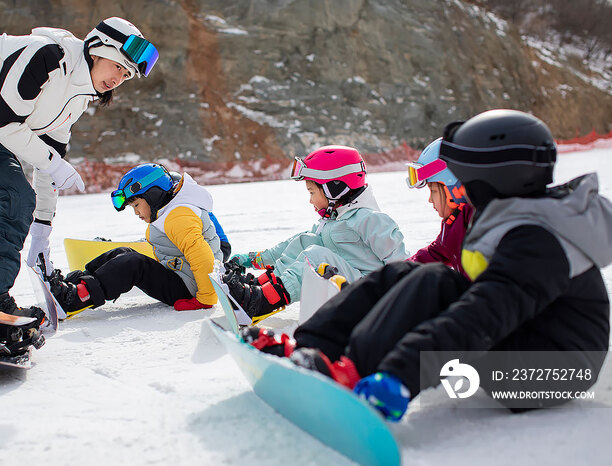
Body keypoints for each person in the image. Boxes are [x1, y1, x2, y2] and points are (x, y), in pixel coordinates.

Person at [243, 109, 611, 420]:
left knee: (433, 282)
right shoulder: (513, 219)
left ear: (486, 180)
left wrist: (400, 374)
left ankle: (349, 373)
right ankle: (315, 350)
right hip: (529, 339)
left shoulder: (536, 239)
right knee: (410, 273)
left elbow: (484, 314)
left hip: (552, 371)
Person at [0, 17, 159, 352]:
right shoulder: (46, 55)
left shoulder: (76, 100)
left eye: (126, 75)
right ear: (96, 50)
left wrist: (42, 229)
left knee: (19, 200)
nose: (117, 78)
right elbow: (8, 123)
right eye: (116, 65)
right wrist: (55, 163)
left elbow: (49, 167)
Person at [224, 145, 409, 324]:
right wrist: (253, 259)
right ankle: (259, 288)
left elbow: (401, 265)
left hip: (373, 299)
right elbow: (294, 245)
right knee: (307, 242)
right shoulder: (335, 220)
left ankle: (262, 302)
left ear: (334, 188)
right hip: (349, 291)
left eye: (312, 192)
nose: (310, 199)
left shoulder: (372, 220)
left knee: (315, 257)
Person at [47, 163, 227, 316]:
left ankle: (78, 297)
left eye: (136, 205)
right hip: (185, 278)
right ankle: (78, 283)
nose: (136, 213)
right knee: (123, 252)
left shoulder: (178, 216)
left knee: (134, 264)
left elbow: (201, 256)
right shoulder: (171, 212)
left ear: (153, 195)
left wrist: (205, 299)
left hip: (191, 289)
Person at [405, 138, 474, 275]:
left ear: (455, 188)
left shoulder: (477, 222)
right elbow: (432, 255)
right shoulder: (453, 224)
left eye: (433, 191)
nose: (430, 200)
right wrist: (397, 272)